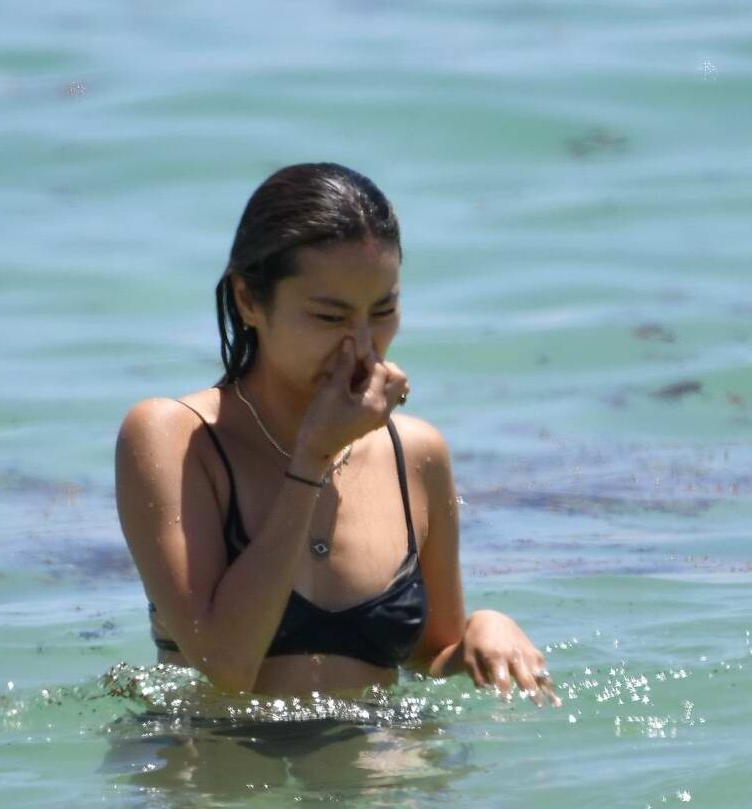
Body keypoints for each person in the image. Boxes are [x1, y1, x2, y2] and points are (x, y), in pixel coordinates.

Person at [115, 162, 556, 706]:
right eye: (329, 317)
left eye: (384, 310)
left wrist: (483, 631)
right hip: (221, 755)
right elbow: (226, 665)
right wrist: (312, 460)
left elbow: (429, 660)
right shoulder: (175, 437)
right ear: (249, 300)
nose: (362, 346)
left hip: (385, 757)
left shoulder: (417, 453)